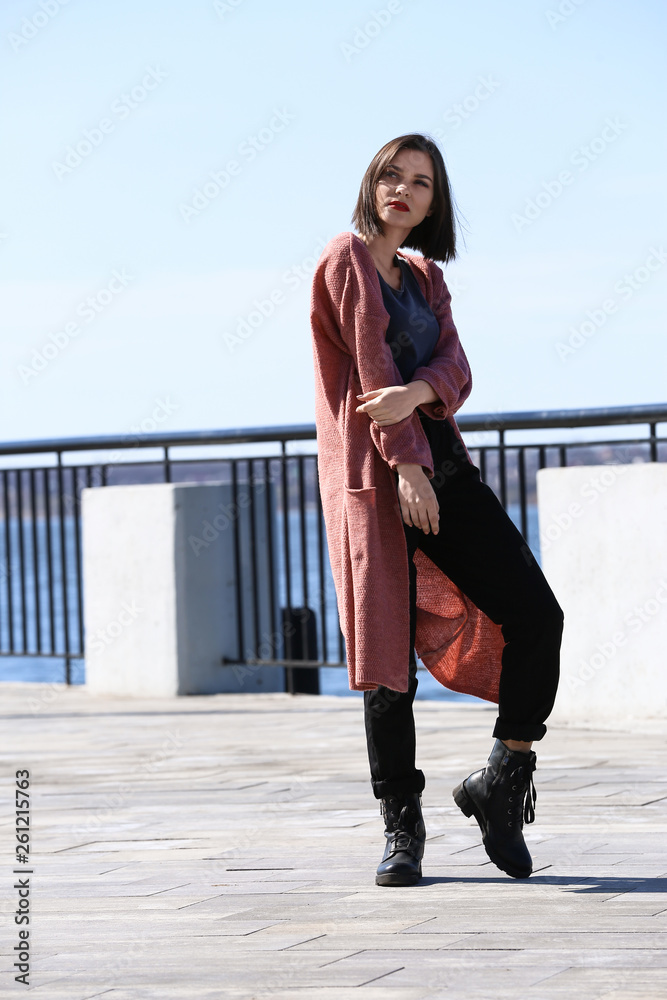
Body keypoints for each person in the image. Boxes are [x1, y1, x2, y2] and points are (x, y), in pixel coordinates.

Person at [309, 133, 564, 886]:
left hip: (444, 470)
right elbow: (369, 370)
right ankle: (401, 824)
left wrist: (423, 397)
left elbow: (453, 367)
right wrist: (405, 467)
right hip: (376, 480)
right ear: (370, 183)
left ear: (433, 201)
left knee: (536, 616)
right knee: (387, 664)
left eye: (420, 182)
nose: (403, 190)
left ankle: (502, 778)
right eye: (391, 175)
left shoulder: (423, 278)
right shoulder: (345, 259)